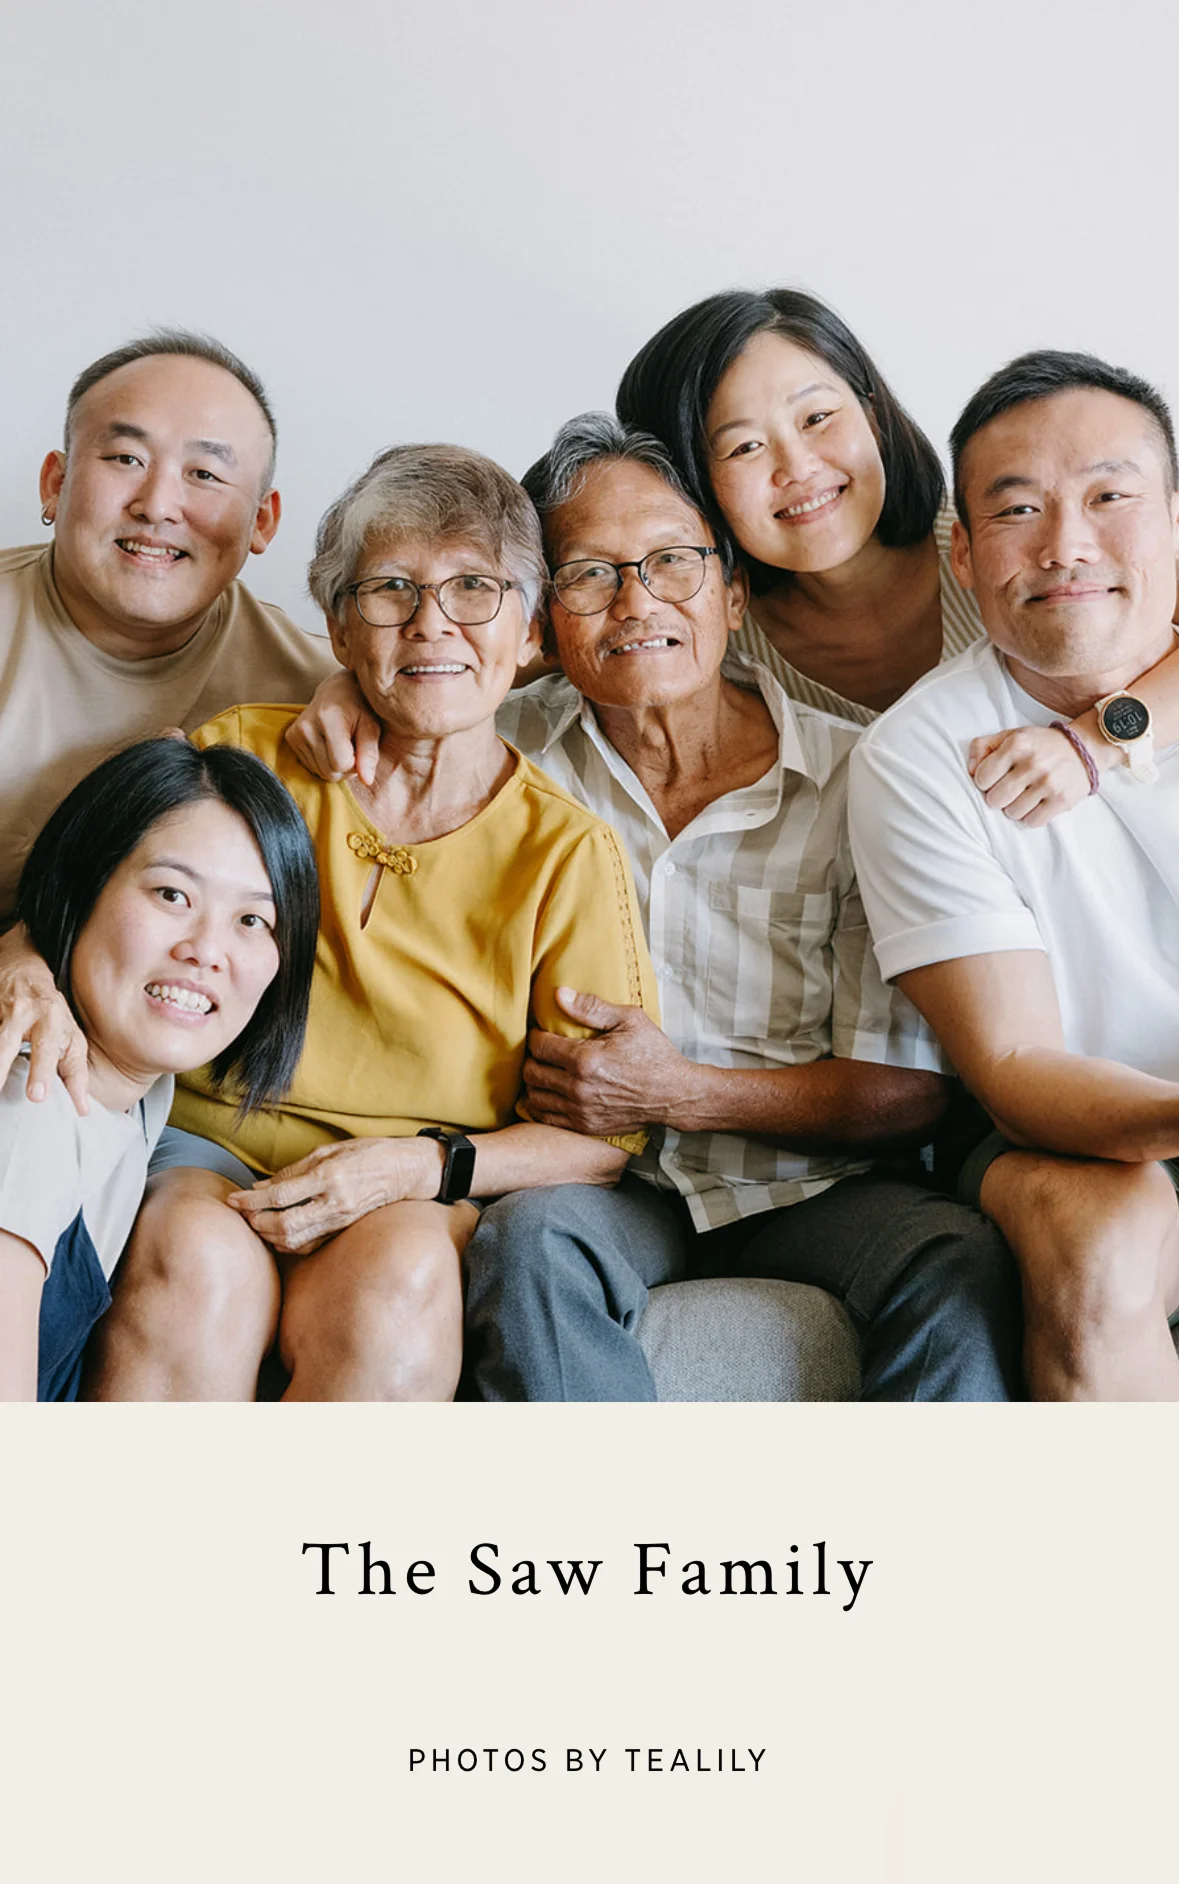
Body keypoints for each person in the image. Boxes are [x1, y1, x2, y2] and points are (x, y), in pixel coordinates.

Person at [291, 417, 1023, 1401]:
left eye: (672, 563)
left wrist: (674, 1094)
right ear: (544, 619)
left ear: (730, 591)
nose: (637, 603)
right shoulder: (496, 761)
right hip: (595, 1189)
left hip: (812, 1190)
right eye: (591, 574)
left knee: (955, 1254)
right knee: (531, 1246)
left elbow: (908, 1093)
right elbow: (398, 682)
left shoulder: (862, 778)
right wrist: (341, 686)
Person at [84, 443, 659, 1403]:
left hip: (414, 1178)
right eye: (389, 589)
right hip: (208, 1142)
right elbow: (87, 911)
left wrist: (421, 1168)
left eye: (476, 587)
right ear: (340, 632)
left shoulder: (566, 852)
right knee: (194, 1264)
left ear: (528, 636)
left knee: (399, 1284)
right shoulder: (244, 757)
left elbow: (603, 1140)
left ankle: (334, 1553)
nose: (433, 622)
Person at [847, 350, 1179, 1400]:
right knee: (1103, 1233)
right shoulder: (919, 757)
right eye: (1020, 510)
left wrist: (1099, 738)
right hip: (1081, 1134)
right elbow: (1020, 1064)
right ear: (962, 553)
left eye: (1109, 497)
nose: (1068, 544)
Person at [616, 288, 1179, 819]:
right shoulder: (704, 642)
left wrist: (1095, 743)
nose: (799, 468)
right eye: (745, 447)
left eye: (817, 419)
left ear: (874, 415)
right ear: (688, 483)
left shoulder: (999, 538)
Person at [0, 328, 336, 1106]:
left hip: (136, 1090)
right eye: (124, 459)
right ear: (54, 484)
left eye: (206, 474)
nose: (158, 505)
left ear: (262, 521)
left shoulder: (307, 694)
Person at [0, 737, 318, 1400]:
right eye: (172, 895)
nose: (206, 950)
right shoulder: (28, 1104)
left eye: (253, 919)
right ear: (82, 884)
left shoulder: (135, 1086)